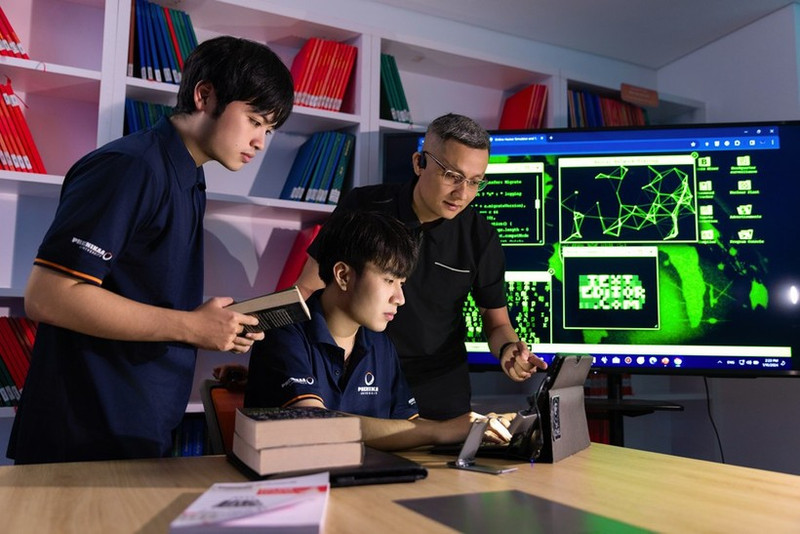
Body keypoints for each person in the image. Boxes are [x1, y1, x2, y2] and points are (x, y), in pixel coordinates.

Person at [6, 36, 295, 464]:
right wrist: (191, 327)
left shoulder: (190, 175)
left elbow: (136, 292)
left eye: (269, 130)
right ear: (204, 95)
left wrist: (211, 323)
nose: (259, 142)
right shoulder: (131, 167)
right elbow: (49, 295)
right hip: (86, 434)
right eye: (254, 120)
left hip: (139, 425)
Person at [295, 113, 547, 420]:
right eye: (453, 176)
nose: (463, 194)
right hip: (358, 370)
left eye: (475, 182)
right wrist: (282, 356)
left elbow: (496, 324)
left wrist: (509, 350)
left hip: (439, 384)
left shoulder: (480, 236)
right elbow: (309, 288)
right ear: (419, 163)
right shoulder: (364, 207)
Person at [244, 210, 487, 450]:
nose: (400, 298)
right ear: (343, 276)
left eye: (402, 283)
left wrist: (476, 429)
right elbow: (314, 425)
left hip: (362, 482)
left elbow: (406, 425)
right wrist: (443, 430)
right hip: (293, 484)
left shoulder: (380, 344)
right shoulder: (284, 332)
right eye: (389, 280)